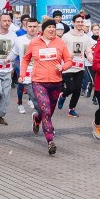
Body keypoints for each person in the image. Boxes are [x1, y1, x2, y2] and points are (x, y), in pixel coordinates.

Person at [20, 20, 73, 155]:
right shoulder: (34, 43)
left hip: (56, 82)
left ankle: (37, 118)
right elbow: (26, 59)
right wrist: (21, 74)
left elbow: (69, 60)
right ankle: (50, 141)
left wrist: (63, 67)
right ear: (43, 29)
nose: (51, 29)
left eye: (53, 27)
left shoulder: (60, 42)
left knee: (48, 112)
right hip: (39, 82)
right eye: (49, 27)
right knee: (47, 111)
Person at [58, 13, 93, 118]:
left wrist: (92, 59)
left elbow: (88, 52)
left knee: (77, 89)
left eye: (82, 22)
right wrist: (69, 56)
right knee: (71, 87)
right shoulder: (66, 36)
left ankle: (71, 109)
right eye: (78, 22)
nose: (80, 24)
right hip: (68, 66)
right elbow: (60, 51)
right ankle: (63, 95)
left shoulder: (86, 38)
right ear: (73, 23)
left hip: (79, 66)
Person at [12, 17, 39, 113]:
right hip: (22, 65)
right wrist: (7, 60)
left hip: (37, 69)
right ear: (26, 27)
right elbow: (13, 53)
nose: (32, 28)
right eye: (30, 26)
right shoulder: (19, 39)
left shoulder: (42, 39)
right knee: (21, 85)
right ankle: (20, 103)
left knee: (37, 92)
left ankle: (34, 105)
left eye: (35, 26)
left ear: (38, 27)